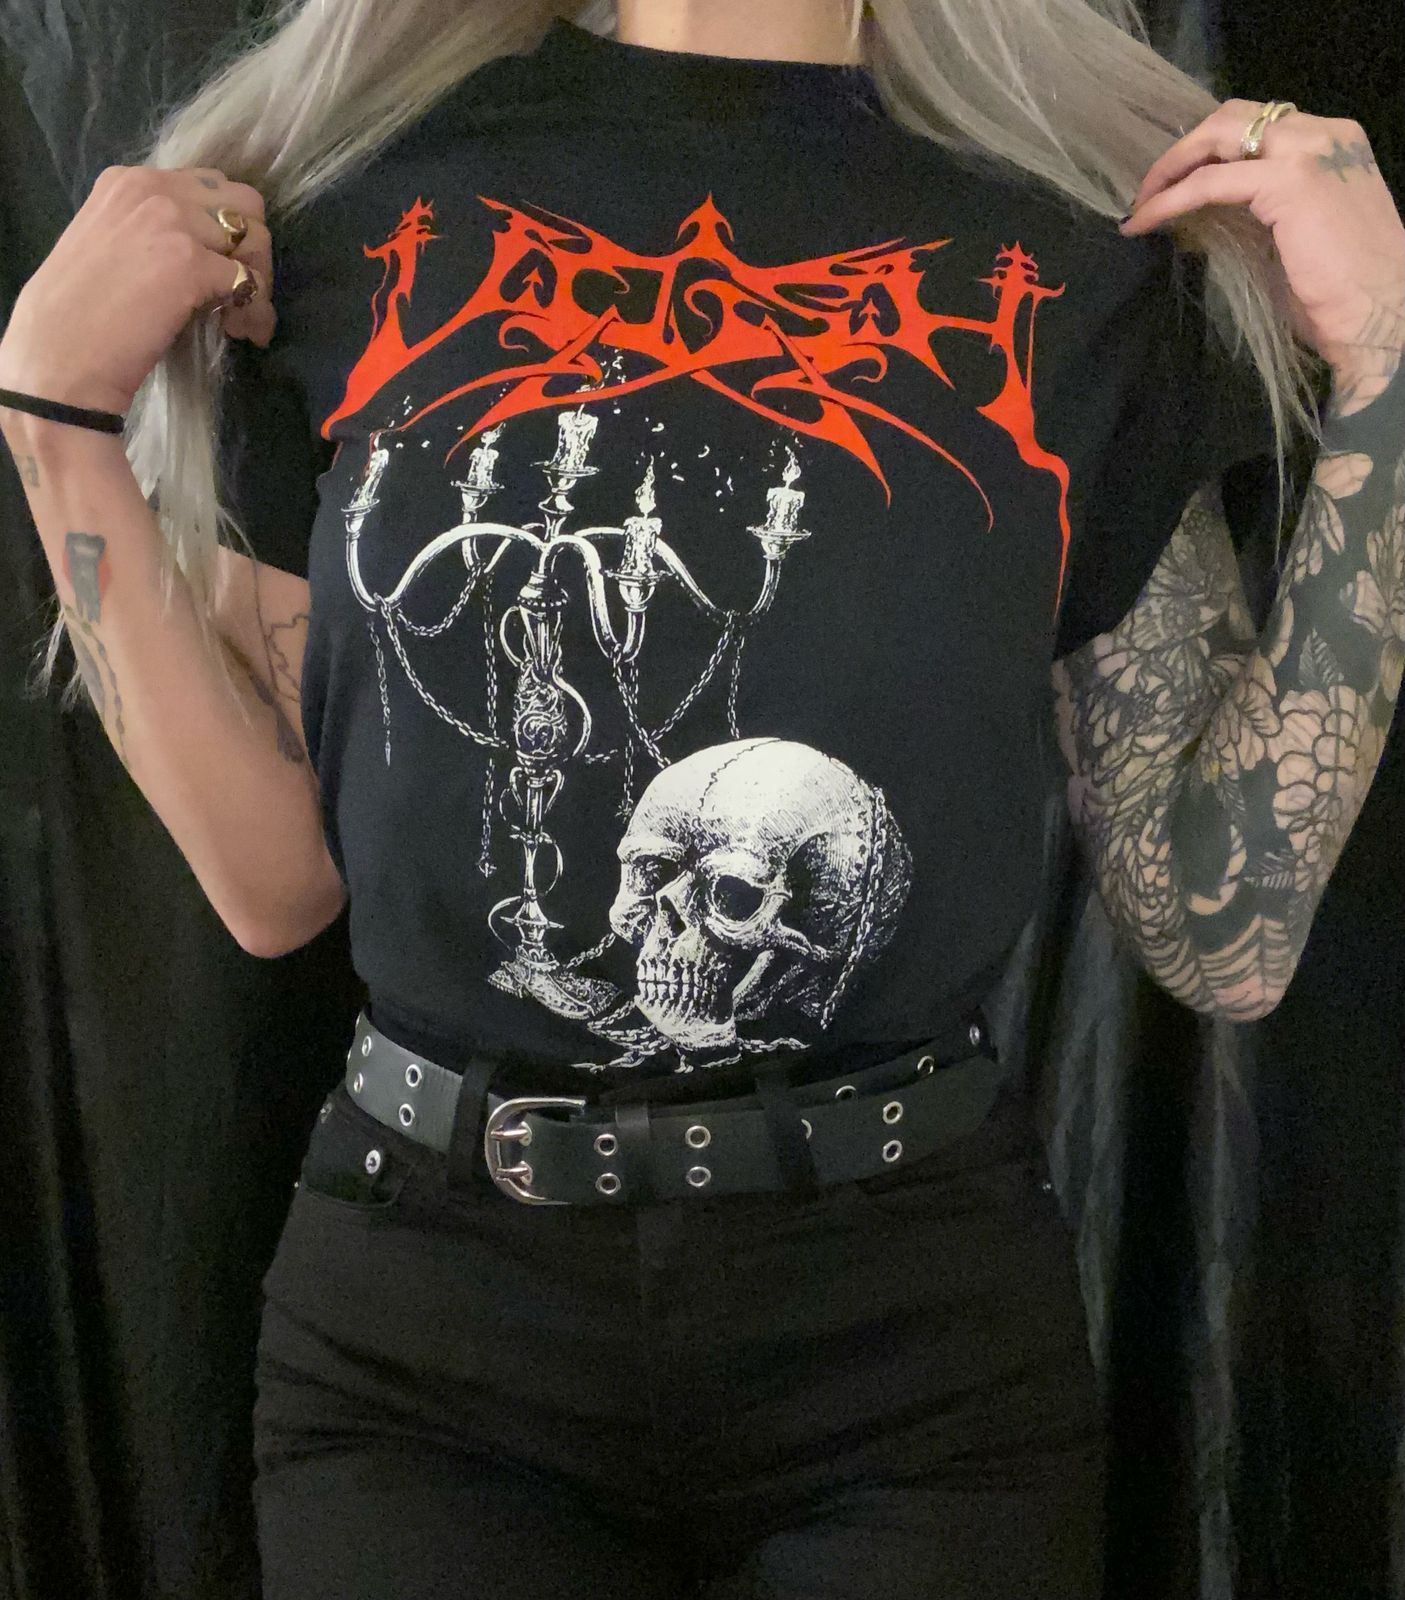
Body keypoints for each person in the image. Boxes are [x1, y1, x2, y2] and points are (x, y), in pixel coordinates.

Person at [1, 0, 1402, 1594]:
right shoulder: (357, 207)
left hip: (905, 1354)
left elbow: (1224, 926)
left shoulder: (1070, 257)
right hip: (437, 1339)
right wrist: (56, 426)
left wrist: (1388, 369)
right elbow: (275, 882)